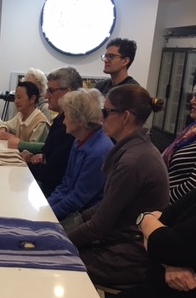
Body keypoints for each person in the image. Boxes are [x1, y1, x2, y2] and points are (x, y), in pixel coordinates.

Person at [67, 84, 168, 286]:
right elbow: (102, 209)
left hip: (127, 257)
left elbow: (99, 226)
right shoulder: (136, 150)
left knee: (52, 261)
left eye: (106, 112)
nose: (101, 118)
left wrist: (59, 239)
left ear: (125, 117)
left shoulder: (133, 161)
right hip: (120, 244)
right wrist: (66, 226)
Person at [47, 88, 113, 222]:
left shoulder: (98, 152)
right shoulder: (79, 140)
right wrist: (45, 206)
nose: (64, 121)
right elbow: (66, 185)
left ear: (79, 120)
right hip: (72, 211)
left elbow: (79, 198)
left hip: (85, 219)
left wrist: (47, 214)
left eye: (66, 116)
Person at [115, 189, 196, 298]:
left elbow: (162, 243)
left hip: (163, 289)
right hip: (152, 285)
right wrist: (169, 263)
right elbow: (165, 220)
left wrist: (144, 218)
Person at [21, 66, 82, 196]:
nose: (46, 96)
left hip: (52, 194)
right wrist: (38, 157)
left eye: (51, 91)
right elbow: (47, 154)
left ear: (68, 93)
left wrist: (28, 161)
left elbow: (52, 174)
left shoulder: (71, 127)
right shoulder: (60, 119)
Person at [162, 86, 196, 204]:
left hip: (172, 212)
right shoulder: (191, 130)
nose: (192, 101)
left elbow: (192, 185)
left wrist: (161, 203)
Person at [0, 81, 50, 149]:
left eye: (19, 97)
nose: (16, 101)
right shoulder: (21, 115)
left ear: (32, 99)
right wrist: (2, 131)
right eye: (15, 98)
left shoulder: (40, 122)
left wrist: (9, 136)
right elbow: (6, 125)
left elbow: (33, 148)